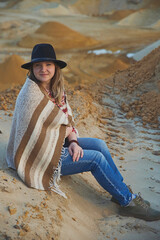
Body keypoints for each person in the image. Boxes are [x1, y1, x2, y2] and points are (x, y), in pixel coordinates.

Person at [6, 43, 160, 221]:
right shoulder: (30, 94)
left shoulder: (55, 90)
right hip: (38, 156)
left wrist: (73, 142)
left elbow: (65, 121)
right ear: (32, 68)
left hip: (53, 143)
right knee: (95, 159)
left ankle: (121, 190)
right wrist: (68, 139)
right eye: (38, 65)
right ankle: (127, 202)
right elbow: (43, 132)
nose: (44, 69)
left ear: (55, 67)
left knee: (99, 145)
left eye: (48, 65)